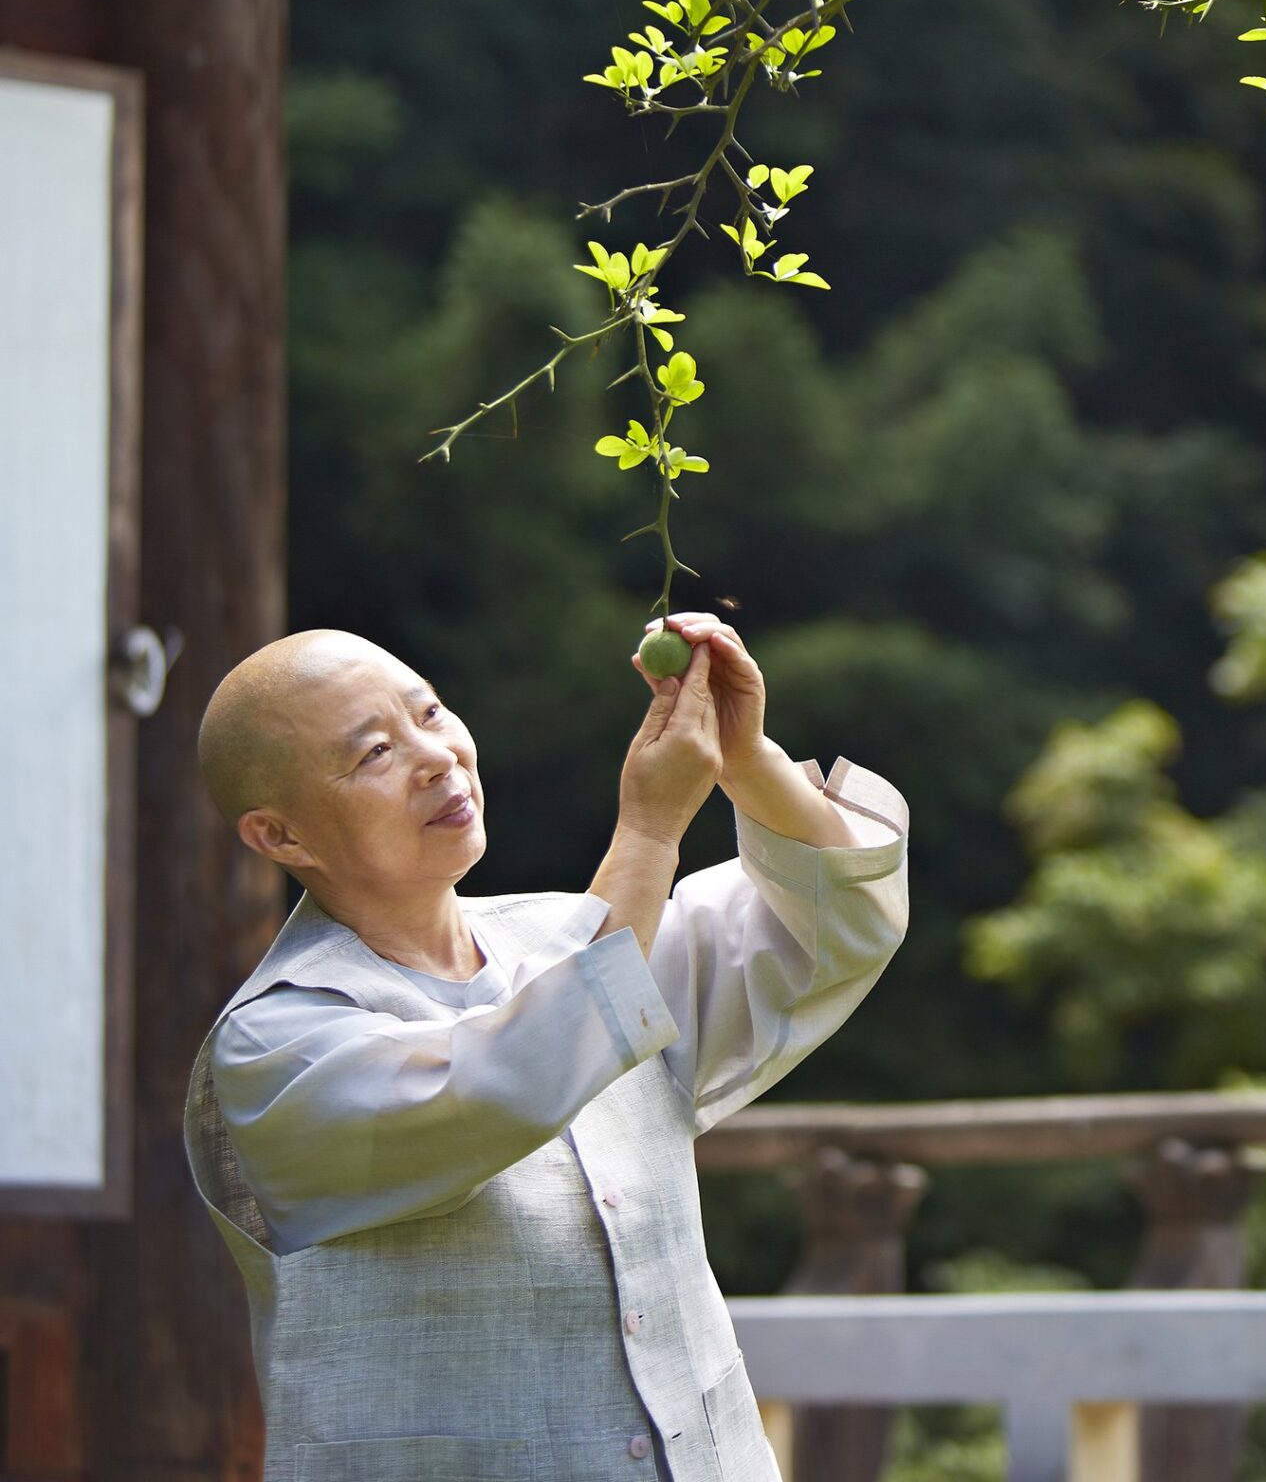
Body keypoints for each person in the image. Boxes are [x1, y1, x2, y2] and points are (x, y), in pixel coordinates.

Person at [183, 613, 908, 1481]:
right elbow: (509, 1077)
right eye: (374, 752)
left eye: (431, 711)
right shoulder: (277, 1042)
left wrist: (743, 760)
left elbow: (839, 925)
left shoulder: (575, 933)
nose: (436, 756)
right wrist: (646, 835)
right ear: (280, 836)